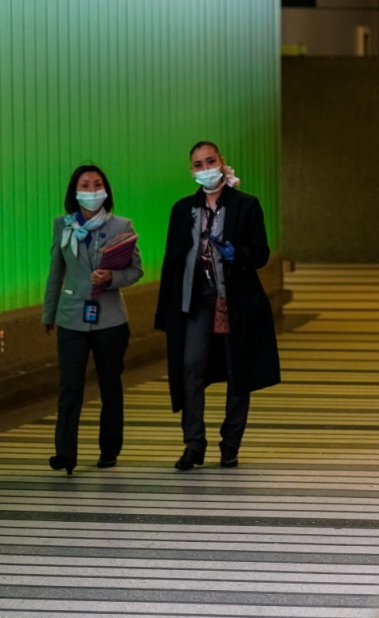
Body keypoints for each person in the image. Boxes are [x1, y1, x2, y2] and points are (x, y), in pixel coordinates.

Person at [154, 141, 281, 471]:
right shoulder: (183, 210)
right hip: (196, 301)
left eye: (210, 161)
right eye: (198, 164)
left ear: (222, 162)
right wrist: (166, 311)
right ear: (192, 170)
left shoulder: (245, 205)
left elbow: (261, 253)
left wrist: (235, 253)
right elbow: (173, 262)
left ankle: (231, 444)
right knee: (191, 368)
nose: (205, 168)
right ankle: (194, 444)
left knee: (238, 370)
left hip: (235, 301)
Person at [41, 165, 143, 475]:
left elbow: (136, 270)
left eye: (98, 184)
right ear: (75, 191)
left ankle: (109, 450)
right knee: (70, 386)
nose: (92, 189)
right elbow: (55, 272)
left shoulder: (121, 225)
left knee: (110, 385)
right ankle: (65, 454)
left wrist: (112, 277)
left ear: (106, 190)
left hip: (110, 319)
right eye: (85, 184)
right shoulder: (63, 225)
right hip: (71, 316)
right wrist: (49, 312)